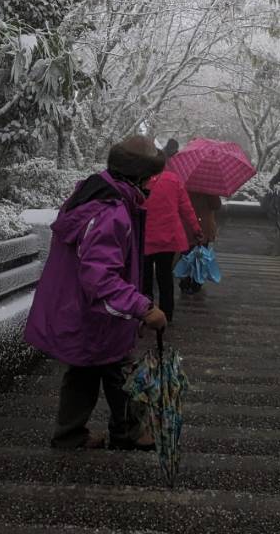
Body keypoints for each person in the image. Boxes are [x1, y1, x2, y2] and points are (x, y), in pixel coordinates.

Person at [24, 136, 168, 451]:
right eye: (151, 178)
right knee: (117, 368)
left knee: (85, 371)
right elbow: (100, 277)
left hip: (81, 308)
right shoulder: (111, 212)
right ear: (138, 177)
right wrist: (143, 308)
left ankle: (72, 434)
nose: (153, 185)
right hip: (96, 312)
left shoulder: (93, 192)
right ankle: (124, 433)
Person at [142, 138, 202, 322]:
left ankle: (145, 310)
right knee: (165, 276)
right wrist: (196, 229)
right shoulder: (174, 180)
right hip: (168, 238)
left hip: (144, 238)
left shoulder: (139, 182)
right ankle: (167, 314)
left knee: (144, 277)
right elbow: (186, 208)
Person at [182, 190, 221, 295]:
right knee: (200, 255)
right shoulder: (209, 188)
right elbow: (216, 205)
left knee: (186, 253)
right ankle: (196, 282)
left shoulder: (185, 187)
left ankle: (185, 279)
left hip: (187, 225)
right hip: (204, 226)